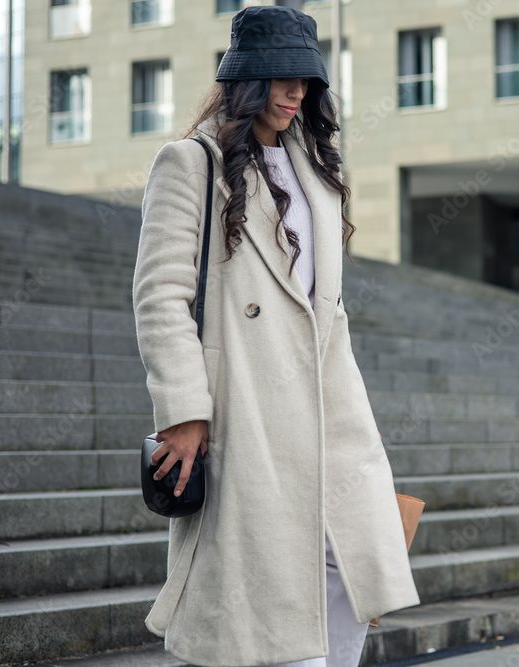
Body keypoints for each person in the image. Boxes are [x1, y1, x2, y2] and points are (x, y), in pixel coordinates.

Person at [131, 6, 420, 666]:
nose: (296, 92)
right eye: (282, 78)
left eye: (307, 80)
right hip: (247, 408)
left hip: (330, 407)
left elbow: (326, 308)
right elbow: (160, 295)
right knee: (270, 591)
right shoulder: (189, 164)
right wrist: (184, 411)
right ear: (248, 80)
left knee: (352, 571)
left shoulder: (315, 172)